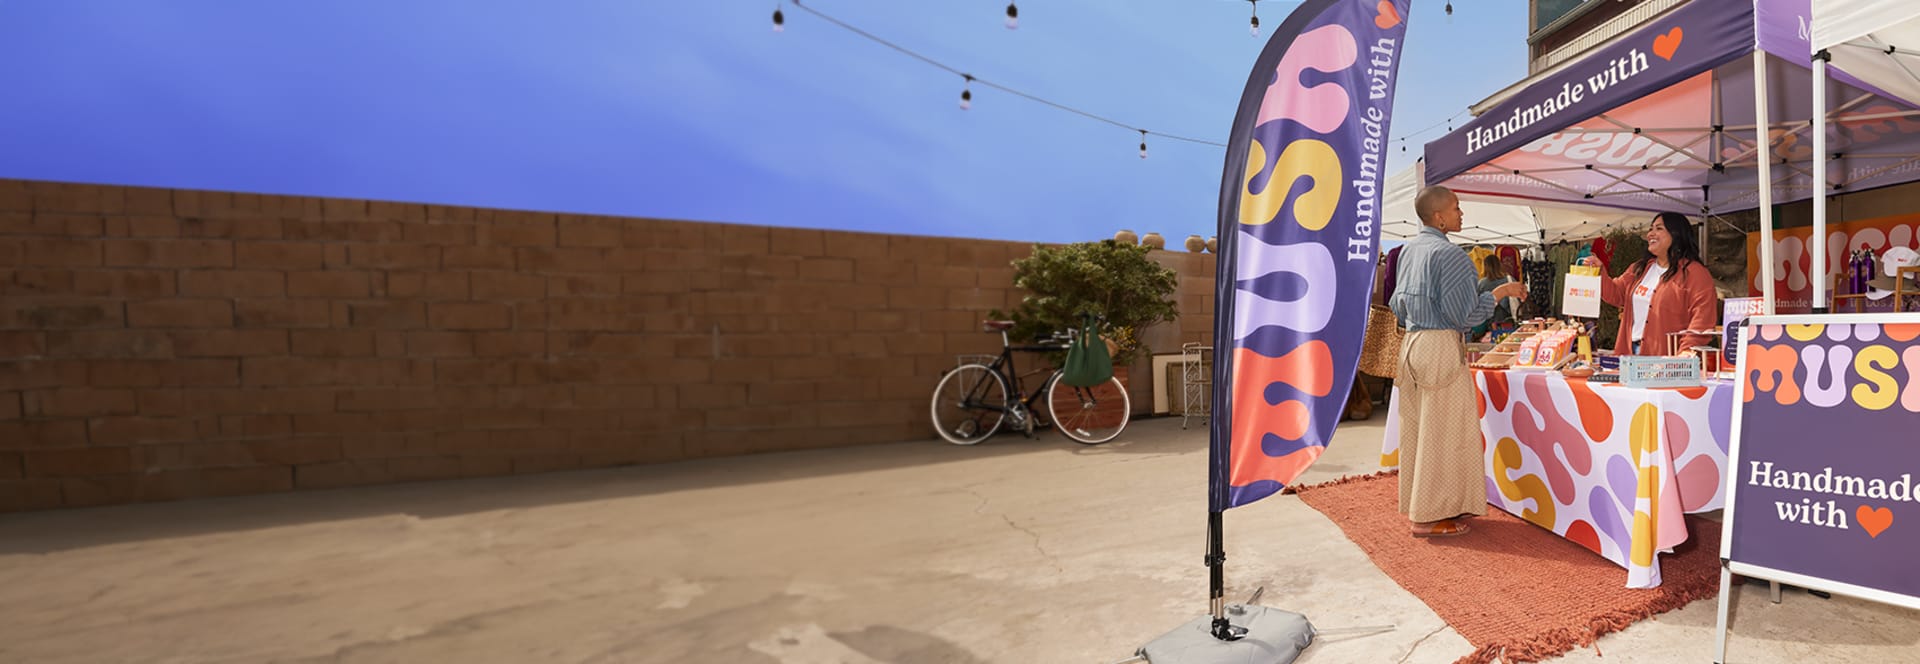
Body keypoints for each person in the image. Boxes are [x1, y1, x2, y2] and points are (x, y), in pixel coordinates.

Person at [1389, 186, 1528, 537]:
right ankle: (1429, 515)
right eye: (1456, 208)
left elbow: (1395, 303)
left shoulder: (1409, 251)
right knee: (1444, 432)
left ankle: (1427, 506)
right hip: (1438, 345)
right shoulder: (1449, 255)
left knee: (1420, 431)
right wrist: (1497, 294)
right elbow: (1464, 315)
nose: (1460, 213)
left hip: (1412, 344)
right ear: (1439, 217)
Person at [1580, 212, 1717, 356]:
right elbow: (1615, 294)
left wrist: (1686, 351)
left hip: (1668, 360)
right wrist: (1600, 272)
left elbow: (1703, 319)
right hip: (1630, 353)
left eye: (1659, 228)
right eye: (1651, 229)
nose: (1650, 234)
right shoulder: (1640, 268)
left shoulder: (1695, 273)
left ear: (1676, 234)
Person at [1471, 254, 1517, 340]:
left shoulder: (1481, 284)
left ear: (1485, 267)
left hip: (1487, 325)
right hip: (1508, 322)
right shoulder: (1509, 280)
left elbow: (1476, 304)